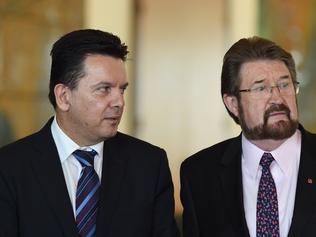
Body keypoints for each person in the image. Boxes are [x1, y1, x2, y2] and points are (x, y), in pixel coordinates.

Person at [0, 29, 179, 237]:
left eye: (122, 89)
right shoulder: (9, 168)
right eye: (104, 89)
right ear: (64, 97)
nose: (119, 102)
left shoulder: (148, 165)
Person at [180, 36, 316, 237]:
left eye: (285, 85)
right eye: (261, 88)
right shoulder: (199, 174)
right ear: (233, 104)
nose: (278, 97)